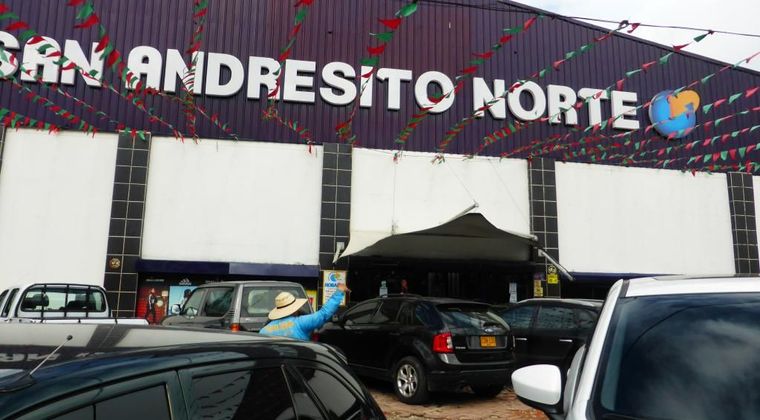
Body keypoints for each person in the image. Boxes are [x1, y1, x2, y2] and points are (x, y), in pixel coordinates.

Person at [259, 283, 349, 341]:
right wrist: (339, 291)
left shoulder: (264, 331)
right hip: (299, 362)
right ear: (295, 309)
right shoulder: (300, 322)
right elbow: (324, 314)